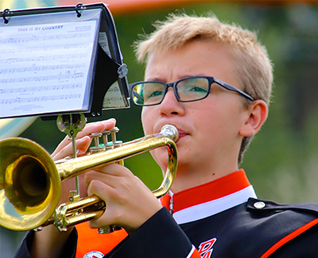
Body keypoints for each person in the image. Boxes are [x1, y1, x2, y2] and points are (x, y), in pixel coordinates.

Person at [15, 13, 318, 258]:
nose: (167, 106)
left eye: (195, 87)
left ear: (251, 117)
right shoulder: (88, 239)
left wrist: (152, 226)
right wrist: (50, 229)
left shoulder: (291, 235)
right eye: (154, 91)